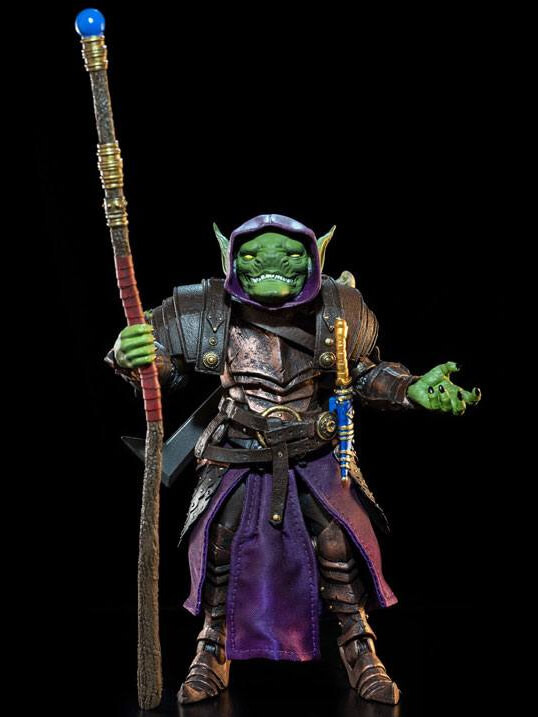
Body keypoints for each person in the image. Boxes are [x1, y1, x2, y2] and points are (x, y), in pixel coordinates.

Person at [106, 214, 480, 706]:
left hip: (314, 450)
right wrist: (135, 356)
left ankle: (359, 646)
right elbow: (164, 370)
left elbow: (362, 375)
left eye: (288, 257)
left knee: (338, 546)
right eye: (254, 257)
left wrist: (409, 388)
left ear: (313, 257)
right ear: (231, 259)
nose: (271, 266)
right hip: (237, 451)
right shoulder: (206, 308)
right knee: (220, 544)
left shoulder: (337, 308)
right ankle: (213, 647)